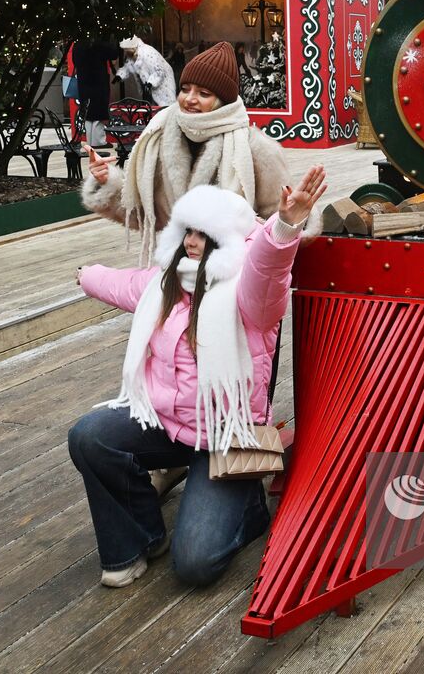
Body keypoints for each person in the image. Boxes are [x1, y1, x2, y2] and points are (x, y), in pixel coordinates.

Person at [68, 167, 326, 589]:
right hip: (166, 423)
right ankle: (138, 540)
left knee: (195, 564)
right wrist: (87, 275)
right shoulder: (167, 282)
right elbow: (122, 284)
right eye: (188, 231)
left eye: (203, 235)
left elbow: (269, 271)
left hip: (223, 438)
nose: (191, 242)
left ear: (224, 242)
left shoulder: (249, 294)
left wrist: (284, 227)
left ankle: (249, 508)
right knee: (90, 435)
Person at [84, 41, 287, 265]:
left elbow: (277, 221)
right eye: (185, 89)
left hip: (233, 273)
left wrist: (293, 218)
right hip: (176, 270)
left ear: (222, 101)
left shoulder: (256, 148)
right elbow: (145, 214)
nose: (190, 99)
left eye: (203, 93)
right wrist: (105, 181)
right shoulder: (161, 137)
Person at [72, 40, 121, 147]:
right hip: (98, 81)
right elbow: (113, 54)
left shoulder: (78, 44)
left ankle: (90, 141)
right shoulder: (99, 42)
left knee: (88, 112)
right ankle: (98, 141)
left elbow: (75, 61)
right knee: (98, 111)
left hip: (83, 81)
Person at [115, 36, 177, 107]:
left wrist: (151, 82)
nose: (126, 53)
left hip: (163, 81)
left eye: (127, 51)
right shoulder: (132, 54)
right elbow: (128, 66)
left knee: (165, 104)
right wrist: (120, 75)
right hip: (146, 83)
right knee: (148, 103)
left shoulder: (148, 53)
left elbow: (159, 70)